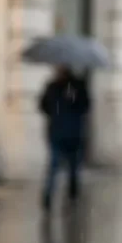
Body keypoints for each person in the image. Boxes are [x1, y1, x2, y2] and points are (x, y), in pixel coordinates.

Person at [38, 66, 90, 212]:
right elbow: (43, 106)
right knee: (54, 166)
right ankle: (48, 195)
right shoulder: (52, 87)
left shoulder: (78, 86)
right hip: (58, 133)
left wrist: (73, 98)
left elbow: (85, 106)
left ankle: (72, 192)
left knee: (72, 167)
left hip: (73, 134)